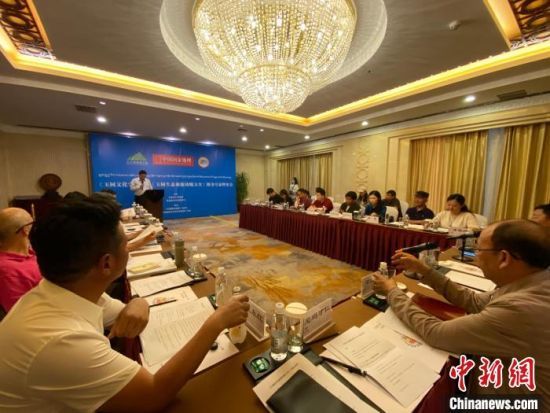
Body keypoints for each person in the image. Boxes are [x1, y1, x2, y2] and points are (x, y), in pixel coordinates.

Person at [0, 196, 249, 412]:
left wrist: (139, 302)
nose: (128, 249)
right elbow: (154, 395)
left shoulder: (67, 290)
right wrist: (216, 323)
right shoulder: (58, 341)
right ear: (107, 264)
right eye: (124, 243)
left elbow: (124, 310)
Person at [373, 219, 550, 405]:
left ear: (503, 258)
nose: (475, 255)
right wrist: (423, 270)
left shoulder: (520, 309)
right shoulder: (533, 281)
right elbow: (473, 301)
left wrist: (391, 291)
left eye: (479, 249)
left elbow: (436, 333)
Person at [0, 208, 42, 313]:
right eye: (33, 223)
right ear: (26, 230)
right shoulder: (7, 271)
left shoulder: (32, 252)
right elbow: (24, 313)